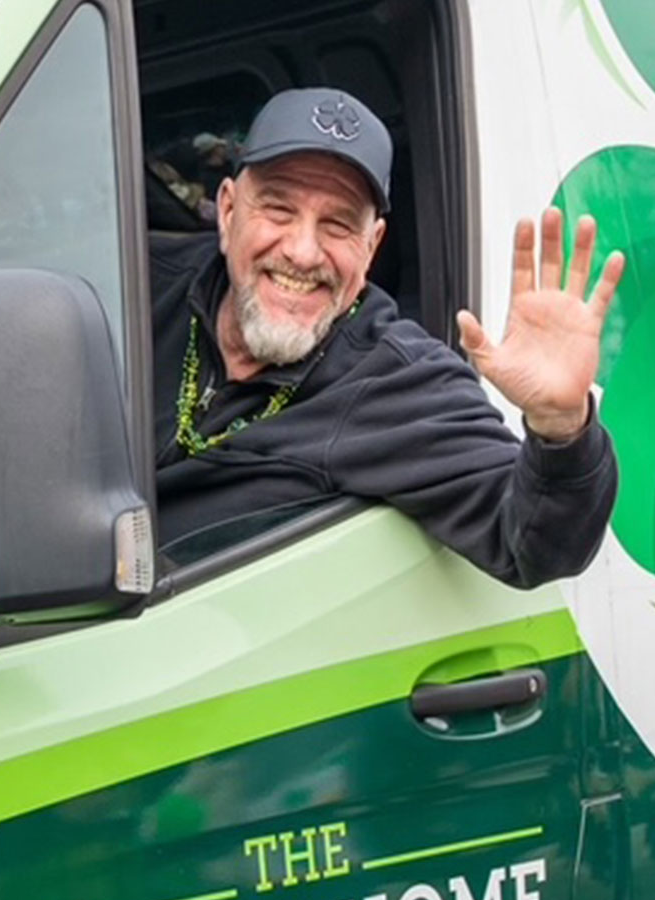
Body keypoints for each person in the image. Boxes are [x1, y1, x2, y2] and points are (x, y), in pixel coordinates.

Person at [151, 87, 622, 584]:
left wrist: (562, 425)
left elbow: (533, 542)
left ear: (372, 245)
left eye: (337, 225)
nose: (304, 251)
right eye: (279, 210)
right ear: (228, 212)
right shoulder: (135, 282)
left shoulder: (396, 379)